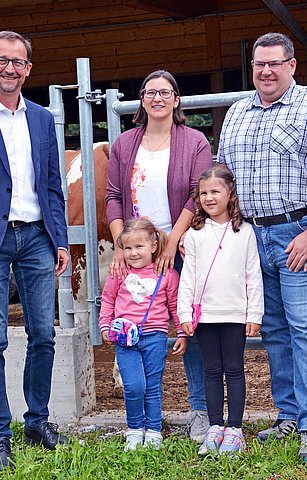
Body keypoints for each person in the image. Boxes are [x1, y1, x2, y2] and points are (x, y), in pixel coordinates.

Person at [217, 32, 307, 463]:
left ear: (293, 65)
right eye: (259, 65)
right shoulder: (236, 113)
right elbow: (224, 181)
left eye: (275, 63)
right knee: (273, 329)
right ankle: (288, 413)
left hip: (300, 229)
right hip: (251, 236)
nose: (266, 71)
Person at [106, 70, 213, 442]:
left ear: (177, 99)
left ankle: (199, 409)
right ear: (142, 101)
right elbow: (114, 197)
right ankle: (143, 416)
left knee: (190, 326)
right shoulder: (124, 144)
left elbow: (195, 194)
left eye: (165, 92)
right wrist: (123, 247)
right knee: (136, 324)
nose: (158, 98)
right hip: (135, 250)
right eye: (150, 92)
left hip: (179, 245)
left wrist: (170, 243)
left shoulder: (194, 141)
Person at [0, 31, 70, 469]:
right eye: (2, 60)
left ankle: (37, 420)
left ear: (29, 68)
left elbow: (52, 183)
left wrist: (60, 238)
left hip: (38, 237)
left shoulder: (42, 119)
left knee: (43, 334)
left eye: (17, 62)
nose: (8, 68)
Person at [177, 166, 263, 455]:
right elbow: (187, 277)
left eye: (215, 191)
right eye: (203, 193)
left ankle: (235, 429)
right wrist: (184, 315)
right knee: (211, 370)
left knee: (234, 369)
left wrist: (255, 314)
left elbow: (253, 274)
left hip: (236, 315)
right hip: (205, 317)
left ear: (230, 194)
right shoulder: (194, 235)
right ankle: (215, 427)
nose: (209, 198)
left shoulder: (246, 232)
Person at [99, 218, 187, 450]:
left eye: (139, 247)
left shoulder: (166, 274)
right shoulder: (118, 272)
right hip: (126, 339)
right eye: (128, 248)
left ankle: (154, 430)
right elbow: (108, 300)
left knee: (152, 385)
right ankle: (135, 428)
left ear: (153, 246)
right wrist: (105, 325)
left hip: (155, 337)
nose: (133, 253)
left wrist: (181, 333)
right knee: (134, 385)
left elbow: (174, 305)